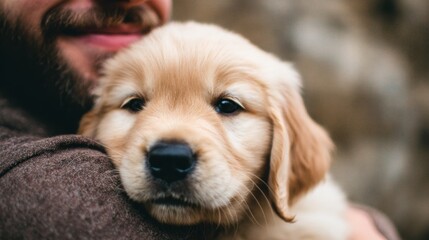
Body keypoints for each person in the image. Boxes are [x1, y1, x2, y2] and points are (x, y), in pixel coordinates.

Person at [0, 0, 400, 239]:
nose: (173, 148)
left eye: (228, 106)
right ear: (89, 124)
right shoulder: (32, 181)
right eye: (135, 103)